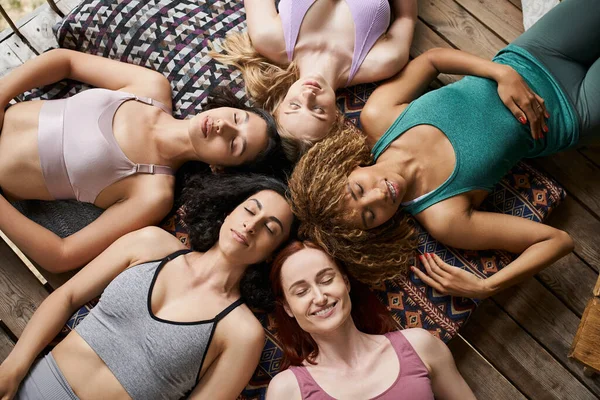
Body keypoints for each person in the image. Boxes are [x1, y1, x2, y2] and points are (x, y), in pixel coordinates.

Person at [287, 0, 600, 297]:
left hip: (531, 54)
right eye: (370, 215)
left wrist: (500, 73)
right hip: (573, 110)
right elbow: (557, 241)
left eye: (358, 190)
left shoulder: (379, 116)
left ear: (347, 168)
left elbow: (432, 60)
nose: (379, 196)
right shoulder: (444, 216)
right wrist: (486, 286)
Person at [0, 173, 295, 400]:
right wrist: (14, 367)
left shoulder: (242, 332)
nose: (251, 225)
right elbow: (68, 296)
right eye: (249, 210)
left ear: (272, 253)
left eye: (270, 228)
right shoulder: (150, 243)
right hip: (32, 386)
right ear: (230, 212)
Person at [0, 48, 282, 273]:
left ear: (221, 169)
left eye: (234, 144)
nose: (225, 127)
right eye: (236, 117)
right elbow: (66, 61)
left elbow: (62, 255)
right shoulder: (150, 88)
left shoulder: (153, 193)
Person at [266, 241, 476, 400]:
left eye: (327, 280)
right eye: (301, 291)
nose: (320, 298)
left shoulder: (420, 346)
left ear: (346, 282)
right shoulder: (287, 390)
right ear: (287, 308)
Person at [213, 0, 417, 162]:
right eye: (318, 110)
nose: (308, 95)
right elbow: (406, 17)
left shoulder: (268, 39)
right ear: (336, 118)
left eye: (294, 105)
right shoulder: (383, 61)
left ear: (280, 105)